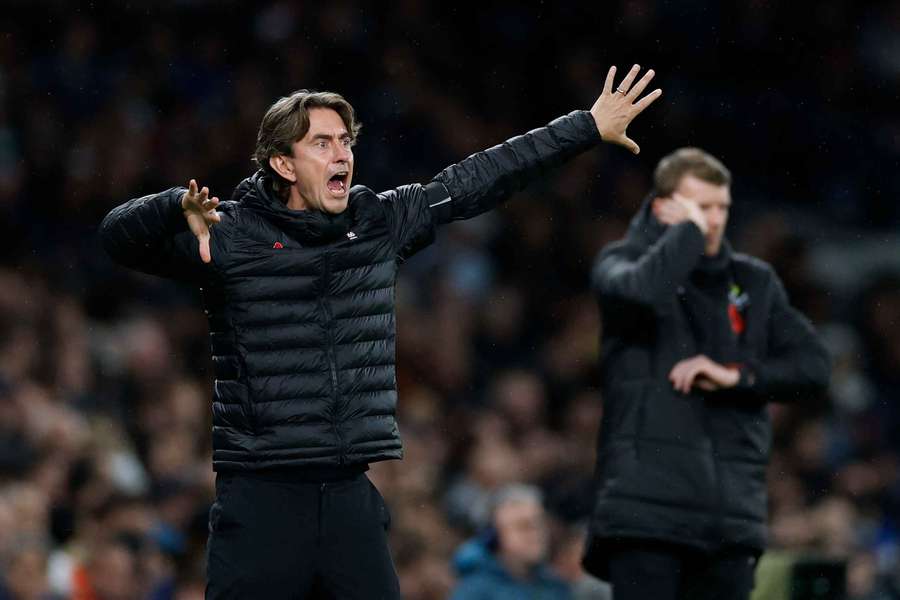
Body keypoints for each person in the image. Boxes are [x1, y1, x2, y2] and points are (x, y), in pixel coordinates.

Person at [99, 64, 662, 600]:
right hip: (261, 499)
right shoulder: (228, 235)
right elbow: (116, 238)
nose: (342, 153)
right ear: (283, 164)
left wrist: (584, 127)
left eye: (346, 141)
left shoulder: (376, 222)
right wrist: (174, 205)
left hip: (349, 498)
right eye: (322, 143)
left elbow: (475, 181)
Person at [583, 147, 831, 600]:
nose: (714, 221)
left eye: (720, 208)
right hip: (645, 516)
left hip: (729, 521)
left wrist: (736, 375)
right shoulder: (618, 264)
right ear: (663, 207)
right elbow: (643, 293)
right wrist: (687, 235)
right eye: (701, 208)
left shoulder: (753, 283)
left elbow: (814, 367)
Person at [450, 485, 571, 600]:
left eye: (539, 524)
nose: (536, 534)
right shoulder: (474, 592)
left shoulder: (557, 586)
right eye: (523, 526)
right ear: (494, 536)